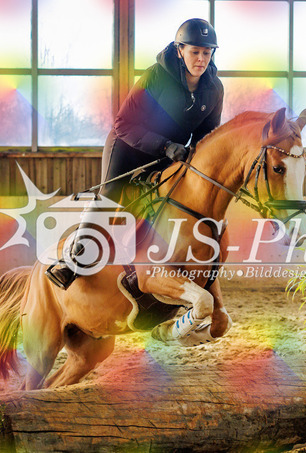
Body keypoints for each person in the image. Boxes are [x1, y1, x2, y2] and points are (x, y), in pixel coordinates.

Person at [46, 18, 224, 313]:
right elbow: (123, 123)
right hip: (128, 145)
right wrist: (165, 146)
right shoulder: (155, 76)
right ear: (179, 50)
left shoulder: (214, 89)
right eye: (195, 52)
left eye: (207, 53)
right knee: (112, 194)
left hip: (171, 153)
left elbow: (206, 137)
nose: (201, 59)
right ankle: (74, 259)